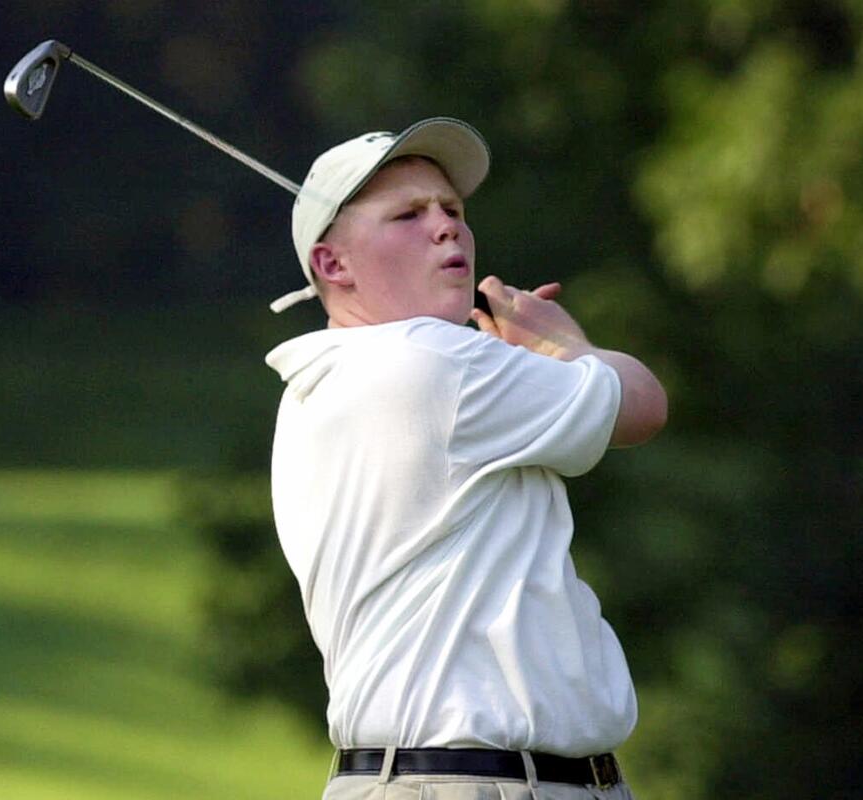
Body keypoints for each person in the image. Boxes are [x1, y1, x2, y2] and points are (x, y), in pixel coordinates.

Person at [265, 117, 668, 800]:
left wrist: (510, 366)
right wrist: (563, 347)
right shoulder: (435, 361)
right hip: (484, 784)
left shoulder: (320, 385)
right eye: (407, 214)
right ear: (332, 264)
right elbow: (644, 403)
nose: (446, 227)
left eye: (451, 209)